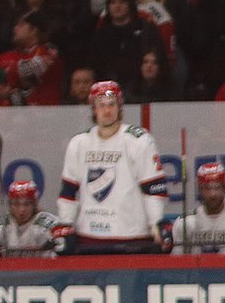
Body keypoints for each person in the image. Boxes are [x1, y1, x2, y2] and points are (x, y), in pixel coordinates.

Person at [57, 81, 170, 254]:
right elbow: (68, 191)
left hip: (132, 239)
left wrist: (156, 223)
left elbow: (153, 189)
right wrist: (66, 225)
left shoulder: (139, 140)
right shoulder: (78, 143)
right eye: (101, 105)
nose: (107, 110)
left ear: (120, 107)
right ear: (93, 109)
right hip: (87, 239)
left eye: (112, 104)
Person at [0, 12, 63, 106]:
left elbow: (27, 71)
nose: (14, 29)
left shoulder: (49, 51)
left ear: (34, 30)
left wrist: (6, 75)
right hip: (11, 116)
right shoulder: (6, 56)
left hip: (45, 114)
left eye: (21, 25)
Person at [0, 179, 61, 257]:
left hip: (45, 270)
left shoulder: (44, 222)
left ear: (35, 204)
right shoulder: (3, 224)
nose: (21, 210)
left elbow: (65, 239)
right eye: (16, 204)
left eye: (27, 204)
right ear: (10, 204)